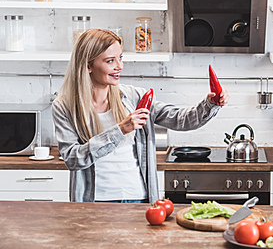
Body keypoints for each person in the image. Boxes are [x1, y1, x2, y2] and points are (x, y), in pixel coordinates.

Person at [52, 28, 228, 203]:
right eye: (110, 61)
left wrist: (210, 105)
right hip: (94, 202)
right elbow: (72, 159)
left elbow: (180, 119)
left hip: (138, 198)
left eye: (120, 58)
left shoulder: (135, 97)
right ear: (88, 66)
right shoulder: (65, 106)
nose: (119, 66)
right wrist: (120, 130)